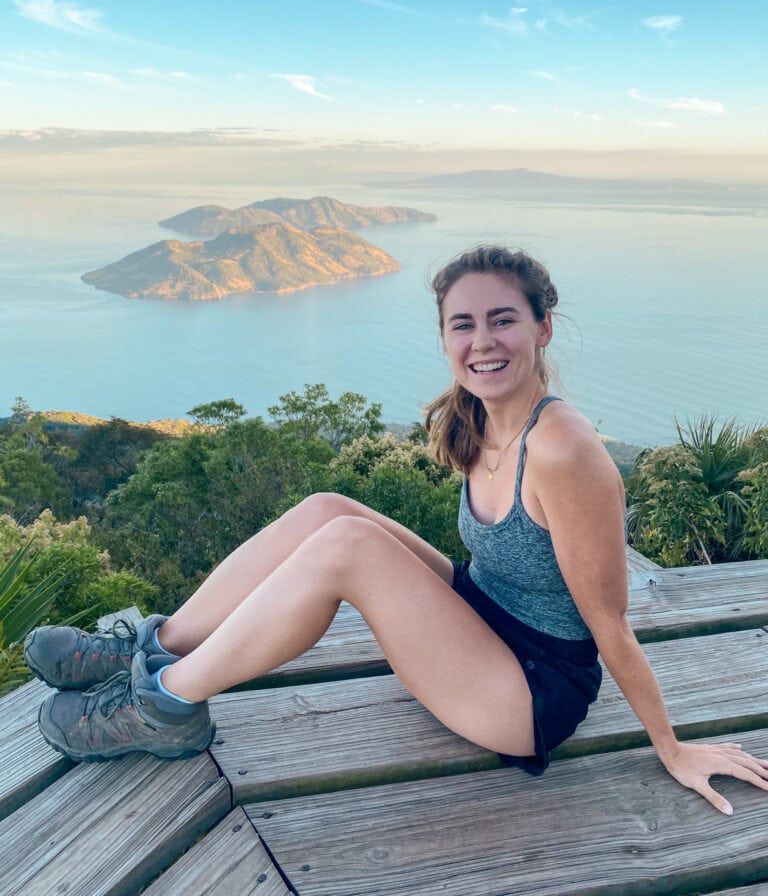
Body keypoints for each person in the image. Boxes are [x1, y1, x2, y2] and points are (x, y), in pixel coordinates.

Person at [24, 244, 768, 814]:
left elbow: (610, 622)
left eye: (503, 319)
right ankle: (154, 648)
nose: (484, 341)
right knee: (326, 508)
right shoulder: (481, 417)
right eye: (463, 324)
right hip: (484, 622)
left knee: (347, 548)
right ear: (445, 337)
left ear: (544, 326)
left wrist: (670, 748)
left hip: (532, 692)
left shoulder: (564, 450)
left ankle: (163, 707)